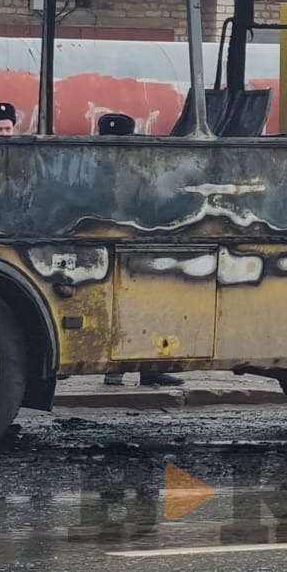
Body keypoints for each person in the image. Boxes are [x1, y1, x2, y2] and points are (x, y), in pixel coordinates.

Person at [93, 111, 184, 388]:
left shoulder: (99, 168)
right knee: (126, 308)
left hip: (133, 246)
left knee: (143, 307)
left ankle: (146, 369)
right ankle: (120, 370)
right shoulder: (124, 171)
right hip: (122, 247)